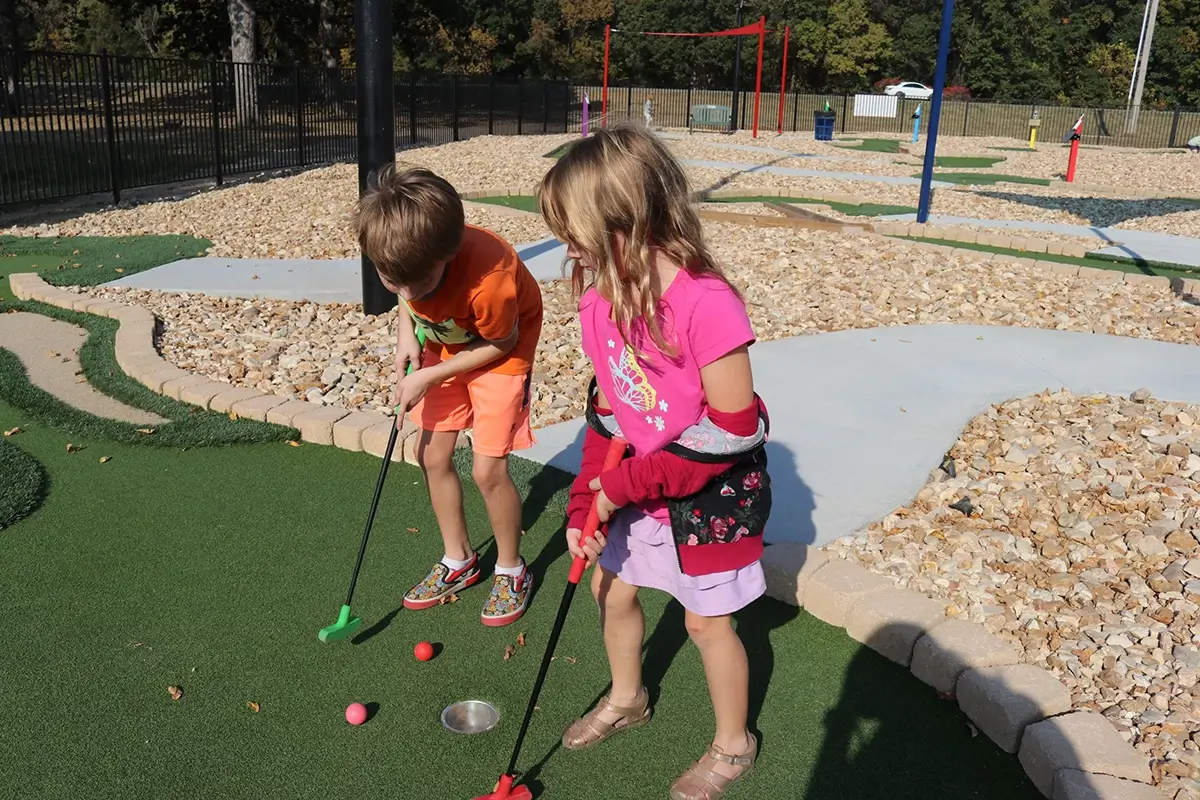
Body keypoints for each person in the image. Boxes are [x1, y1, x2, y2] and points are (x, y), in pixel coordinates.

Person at [537, 123, 772, 800]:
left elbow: (730, 433)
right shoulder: (597, 300)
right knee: (611, 590)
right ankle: (628, 696)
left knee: (706, 622)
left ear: (629, 219)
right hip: (638, 481)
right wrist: (588, 501)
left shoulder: (707, 304)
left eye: (574, 228)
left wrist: (620, 487)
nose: (567, 246)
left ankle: (734, 743)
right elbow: (610, 418)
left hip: (711, 491)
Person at [354, 165, 544, 627]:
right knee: (431, 454)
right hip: (447, 342)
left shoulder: (490, 280)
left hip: (502, 353)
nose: (402, 290)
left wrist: (425, 378)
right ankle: (459, 560)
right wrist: (407, 335)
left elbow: (500, 342)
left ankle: (510, 569)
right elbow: (407, 295)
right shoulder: (406, 260)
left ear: (447, 255)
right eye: (389, 277)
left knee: (487, 468)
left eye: (415, 283)